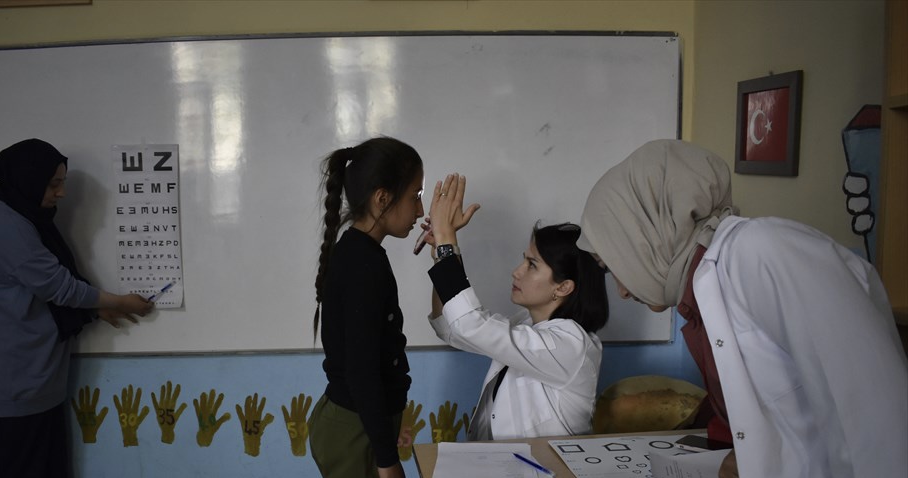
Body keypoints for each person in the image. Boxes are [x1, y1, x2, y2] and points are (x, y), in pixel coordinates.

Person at [576, 139, 908, 478]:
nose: (621, 290)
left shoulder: (763, 251)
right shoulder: (703, 290)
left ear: (644, 233)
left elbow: (877, 422)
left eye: (610, 264)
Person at [0, 138, 153, 477]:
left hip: (33, 377)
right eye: (54, 183)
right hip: (7, 382)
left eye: (63, 182)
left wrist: (94, 309)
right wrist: (118, 302)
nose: (61, 193)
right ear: (28, 179)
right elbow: (56, 286)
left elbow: (40, 287)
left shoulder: (24, 214)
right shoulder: (3, 223)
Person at [423, 174, 609, 440]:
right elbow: (451, 327)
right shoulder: (525, 324)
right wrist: (443, 252)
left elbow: (468, 324)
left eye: (532, 265)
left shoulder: (571, 345)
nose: (516, 272)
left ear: (563, 287)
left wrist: (446, 245)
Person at [307, 137, 424, 478]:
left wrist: (387, 425)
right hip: (351, 428)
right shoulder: (363, 265)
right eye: (415, 196)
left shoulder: (361, 254)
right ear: (382, 198)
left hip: (360, 422)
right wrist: (387, 459)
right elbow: (361, 371)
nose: (420, 210)